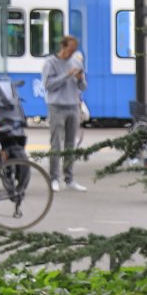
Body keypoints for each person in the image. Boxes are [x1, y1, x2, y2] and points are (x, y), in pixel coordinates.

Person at [41, 35, 88, 190]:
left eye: (75, 49)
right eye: (70, 49)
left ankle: (69, 179)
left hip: (73, 106)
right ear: (63, 46)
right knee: (56, 144)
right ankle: (54, 178)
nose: (72, 52)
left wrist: (80, 78)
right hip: (57, 107)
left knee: (70, 144)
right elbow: (48, 85)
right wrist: (66, 75)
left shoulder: (77, 62)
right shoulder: (51, 63)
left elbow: (83, 87)